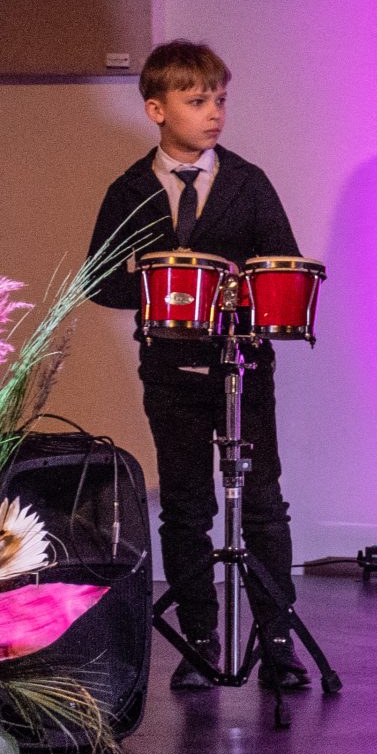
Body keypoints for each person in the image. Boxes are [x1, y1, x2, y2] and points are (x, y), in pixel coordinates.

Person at [85, 41, 314, 692]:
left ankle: (276, 641)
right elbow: (99, 279)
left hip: (244, 366)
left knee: (263, 503)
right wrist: (160, 289)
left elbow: (283, 265)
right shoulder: (129, 190)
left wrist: (241, 292)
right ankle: (200, 638)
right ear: (156, 109)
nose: (214, 112)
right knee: (186, 506)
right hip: (170, 370)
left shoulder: (248, 182)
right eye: (196, 101)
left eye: (219, 99)